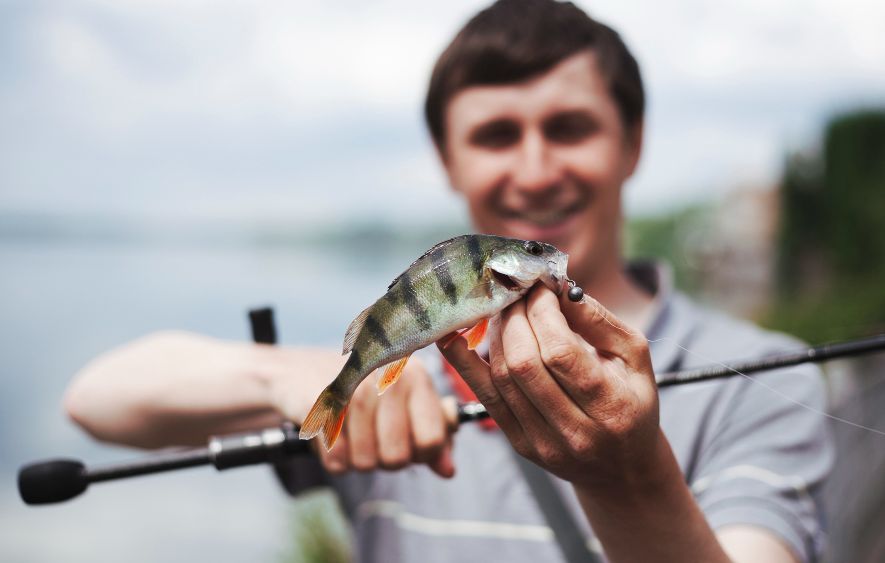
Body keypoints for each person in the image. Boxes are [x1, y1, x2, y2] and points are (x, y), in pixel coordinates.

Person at [63, 1, 832, 561]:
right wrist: (296, 377)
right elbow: (97, 400)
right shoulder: (395, 371)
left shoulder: (764, 375)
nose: (535, 170)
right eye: (496, 135)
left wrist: (627, 478)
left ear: (631, 143)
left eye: (568, 127)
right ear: (446, 160)